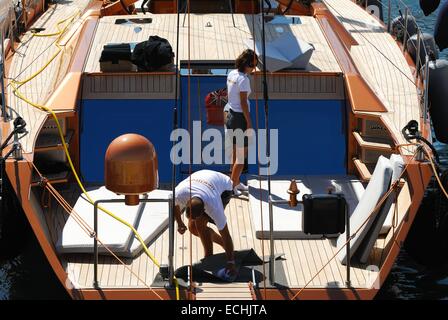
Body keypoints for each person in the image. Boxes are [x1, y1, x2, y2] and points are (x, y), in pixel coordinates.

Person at [174, 170, 236, 277]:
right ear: (187, 202)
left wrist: (231, 262)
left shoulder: (214, 206)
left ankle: (209, 258)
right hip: (203, 178)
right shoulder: (180, 193)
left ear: (204, 210)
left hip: (225, 186)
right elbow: (174, 205)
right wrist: (179, 223)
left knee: (200, 225)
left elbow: (226, 234)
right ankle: (221, 244)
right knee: (192, 227)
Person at [225, 49, 258, 196]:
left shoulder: (232, 74)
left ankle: (235, 182)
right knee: (241, 156)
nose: (254, 69)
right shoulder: (244, 80)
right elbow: (244, 102)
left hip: (231, 116)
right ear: (247, 64)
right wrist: (249, 122)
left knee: (234, 153)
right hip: (240, 118)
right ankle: (231, 187)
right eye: (253, 65)